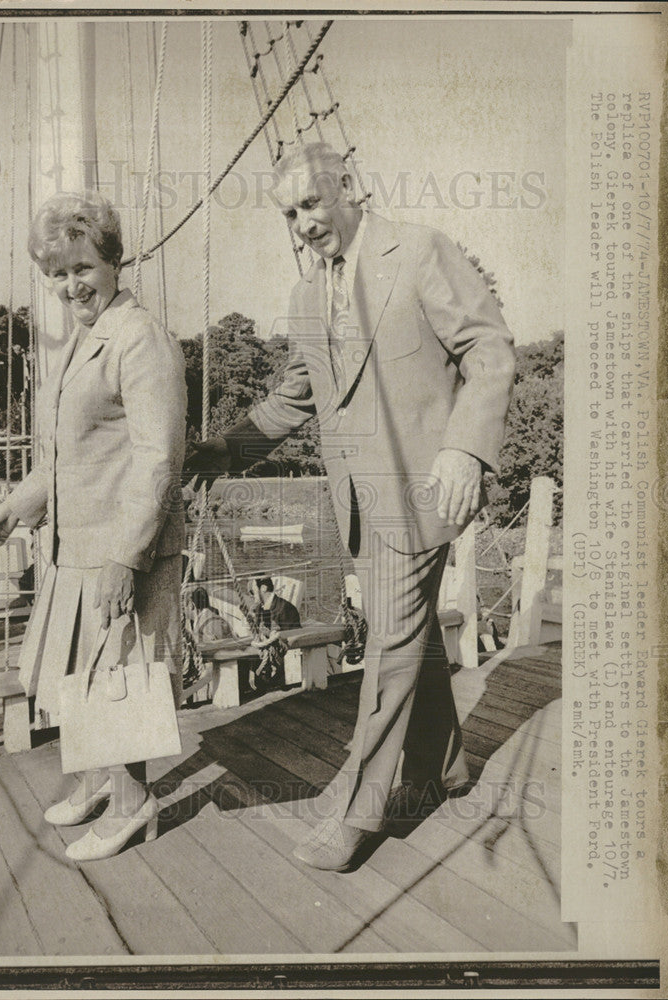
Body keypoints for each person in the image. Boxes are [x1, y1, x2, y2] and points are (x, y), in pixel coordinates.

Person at [185, 142, 515, 871]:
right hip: (358, 503)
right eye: (288, 214)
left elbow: (489, 351)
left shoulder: (422, 251)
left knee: (390, 644)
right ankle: (444, 768)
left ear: (350, 187)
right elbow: (294, 399)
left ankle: (356, 812)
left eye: (310, 204)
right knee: (411, 632)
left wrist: (465, 449)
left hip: (425, 487)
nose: (302, 224)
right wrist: (221, 453)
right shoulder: (308, 296)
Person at [0, 192, 186, 862]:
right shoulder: (79, 342)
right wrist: (22, 501)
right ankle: (100, 782)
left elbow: (159, 457)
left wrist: (127, 557)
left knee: (117, 669)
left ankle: (134, 804)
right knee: (83, 667)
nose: (71, 286)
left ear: (113, 262)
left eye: (82, 269)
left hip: (123, 543)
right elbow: (68, 456)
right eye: (57, 274)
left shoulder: (139, 336)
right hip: (76, 539)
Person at [248, 577, 301, 690]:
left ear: (263, 588)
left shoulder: (286, 609)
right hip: (265, 663)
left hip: (282, 671)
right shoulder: (258, 609)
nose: (251, 596)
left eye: (252, 591)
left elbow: (293, 642)